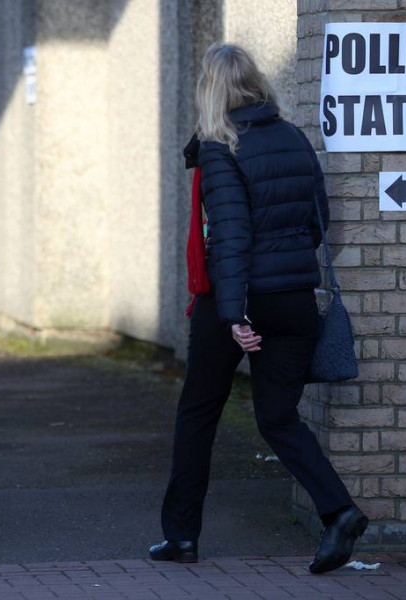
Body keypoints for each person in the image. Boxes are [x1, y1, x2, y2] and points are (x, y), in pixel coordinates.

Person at [149, 43, 367, 575]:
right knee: (277, 417)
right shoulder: (293, 138)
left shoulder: (222, 146)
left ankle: (181, 537)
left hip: (235, 300)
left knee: (199, 412)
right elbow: (319, 222)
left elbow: (232, 237)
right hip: (294, 302)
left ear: (211, 89)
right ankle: (340, 512)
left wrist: (235, 317)